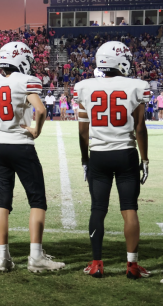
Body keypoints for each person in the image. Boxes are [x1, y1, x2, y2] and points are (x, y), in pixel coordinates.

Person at [0, 42, 65, 273]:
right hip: (21, 146)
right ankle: (36, 257)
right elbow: (40, 110)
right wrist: (36, 130)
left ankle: (3, 258)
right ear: (23, 60)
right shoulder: (25, 81)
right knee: (37, 201)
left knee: (3, 201)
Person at [74, 41, 151, 280]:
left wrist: (85, 159)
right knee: (130, 209)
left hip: (98, 155)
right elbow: (140, 128)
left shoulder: (84, 86)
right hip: (126, 154)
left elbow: (83, 131)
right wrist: (145, 158)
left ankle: (97, 263)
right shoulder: (137, 86)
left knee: (98, 209)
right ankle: (132, 265)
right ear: (121, 61)